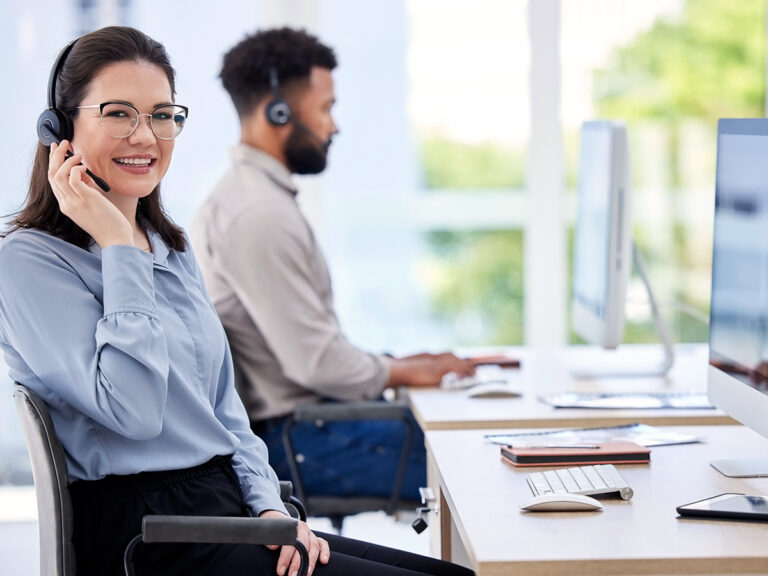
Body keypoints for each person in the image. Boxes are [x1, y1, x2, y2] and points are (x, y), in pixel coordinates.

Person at [0, 26, 473, 576]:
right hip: (149, 535)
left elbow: (226, 412)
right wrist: (116, 247)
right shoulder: (28, 262)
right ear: (59, 128)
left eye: (160, 114)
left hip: (227, 506)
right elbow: (133, 411)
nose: (146, 136)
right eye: (118, 113)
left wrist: (270, 504)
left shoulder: (170, 250)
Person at [190, 27, 476, 504]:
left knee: (475, 446)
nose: (334, 126)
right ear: (278, 111)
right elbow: (316, 364)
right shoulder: (257, 214)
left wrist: (403, 364)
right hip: (299, 441)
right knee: (477, 466)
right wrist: (400, 372)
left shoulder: (254, 199)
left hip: (311, 425)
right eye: (325, 108)